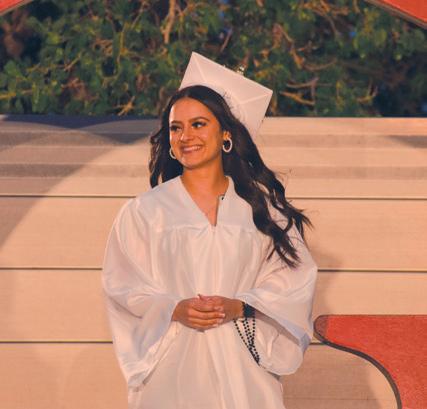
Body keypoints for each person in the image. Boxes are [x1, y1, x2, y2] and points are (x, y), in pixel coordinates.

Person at [102, 52, 318, 409]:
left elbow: (293, 280)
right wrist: (173, 308)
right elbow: (122, 288)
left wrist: (241, 305)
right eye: (176, 128)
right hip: (172, 372)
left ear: (225, 134)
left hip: (243, 370)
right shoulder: (146, 212)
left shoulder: (262, 211)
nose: (185, 136)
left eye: (198, 124)